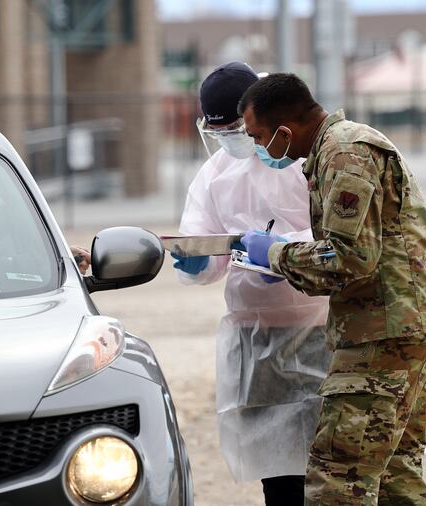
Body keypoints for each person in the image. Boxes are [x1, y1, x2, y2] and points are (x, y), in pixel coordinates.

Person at [239, 73, 426, 505]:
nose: (259, 148)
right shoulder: (341, 147)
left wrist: (275, 255)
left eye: (258, 136)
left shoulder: (344, 152)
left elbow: (349, 259)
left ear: (284, 130)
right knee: (394, 480)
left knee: (338, 481)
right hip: (403, 331)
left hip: (381, 338)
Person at [172, 62, 331, 506]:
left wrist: (280, 250)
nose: (234, 142)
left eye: (239, 130)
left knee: (334, 464)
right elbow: (206, 251)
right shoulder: (216, 175)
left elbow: (342, 239)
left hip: (322, 329)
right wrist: (193, 260)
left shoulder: (307, 156)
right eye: (220, 134)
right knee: (276, 469)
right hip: (256, 341)